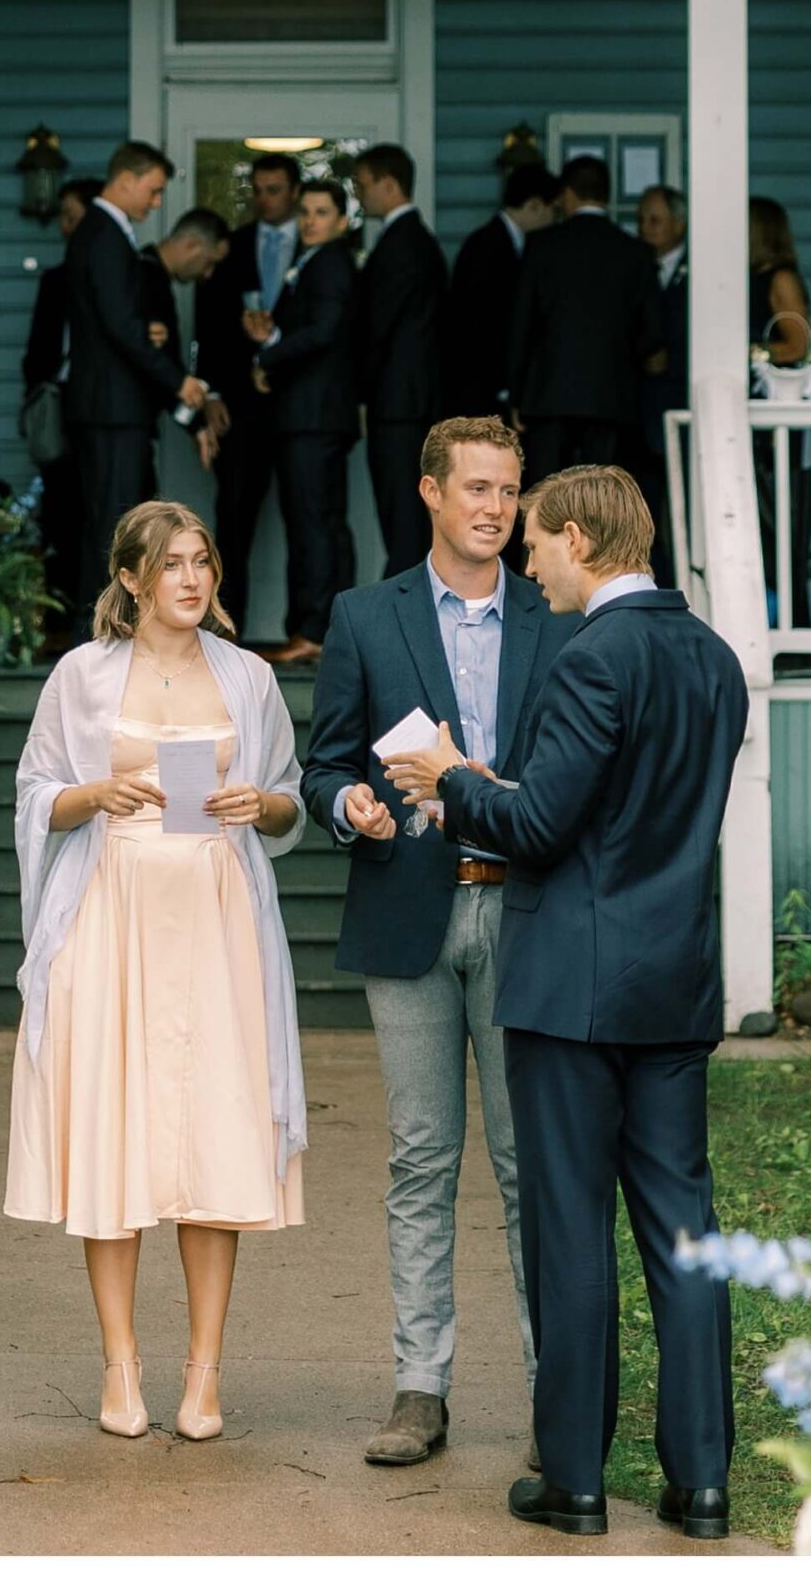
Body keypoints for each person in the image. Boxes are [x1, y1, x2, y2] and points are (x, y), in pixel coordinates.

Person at [384, 464, 748, 1543]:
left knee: (570, 1232)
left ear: (581, 540)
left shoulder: (596, 655)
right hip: (673, 979)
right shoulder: (714, 659)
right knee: (685, 1233)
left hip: (570, 991)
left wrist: (452, 775)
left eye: (536, 541)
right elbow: (637, 813)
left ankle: (577, 1481)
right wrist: (502, 785)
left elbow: (538, 826)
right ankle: (702, 1484)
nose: (527, 560)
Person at [302, 417, 579, 1468]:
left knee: (526, 1163)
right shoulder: (366, 617)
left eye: (508, 489)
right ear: (428, 491)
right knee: (420, 1159)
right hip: (407, 910)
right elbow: (323, 766)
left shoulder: (556, 615)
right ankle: (421, 1388)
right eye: (475, 486)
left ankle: (558, 1393)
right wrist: (350, 811)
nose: (495, 507)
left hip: (526, 911)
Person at [5, 500, 307, 1444]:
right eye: (170, 563)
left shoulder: (250, 677)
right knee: (116, 1132)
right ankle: (120, 1365)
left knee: (215, 1136)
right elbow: (36, 795)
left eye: (202, 561)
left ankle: (204, 1373)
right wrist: (93, 793)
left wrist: (261, 805)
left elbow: (291, 804)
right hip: (111, 914)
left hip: (218, 919)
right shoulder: (81, 676)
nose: (191, 578)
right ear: (130, 579)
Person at [63, 143, 207, 626]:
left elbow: (120, 320)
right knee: (112, 526)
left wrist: (146, 328)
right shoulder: (103, 234)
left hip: (114, 405)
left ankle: (109, 631)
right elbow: (119, 325)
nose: (156, 202)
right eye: (154, 190)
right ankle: (99, 637)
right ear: (126, 178)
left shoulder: (105, 233)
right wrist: (176, 380)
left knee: (114, 521)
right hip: (110, 406)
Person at [245, 179, 359, 665]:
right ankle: (325, 626)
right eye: (306, 211)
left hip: (313, 414)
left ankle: (313, 628)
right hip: (315, 413)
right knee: (322, 520)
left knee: (313, 521)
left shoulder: (330, 264)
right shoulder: (314, 262)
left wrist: (268, 357)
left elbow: (324, 331)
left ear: (341, 221)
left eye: (321, 212)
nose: (311, 220)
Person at [195, 154, 303, 640]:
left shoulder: (319, 245)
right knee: (233, 522)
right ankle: (223, 628)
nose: (264, 199)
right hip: (239, 408)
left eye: (274, 189)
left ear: (295, 192)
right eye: (257, 189)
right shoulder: (232, 247)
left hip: (302, 405)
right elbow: (206, 326)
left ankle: (309, 632)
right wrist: (211, 391)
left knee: (309, 520)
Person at [507, 157, 665, 488]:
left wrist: (518, 394)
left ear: (567, 194)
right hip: (612, 397)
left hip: (548, 395)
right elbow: (651, 332)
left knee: (548, 496)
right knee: (601, 499)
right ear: (605, 195)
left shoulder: (542, 246)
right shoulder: (635, 252)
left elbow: (521, 323)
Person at [353, 145, 451, 576]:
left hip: (398, 401)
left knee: (403, 516)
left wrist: (359, 394)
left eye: (362, 185)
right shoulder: (416, 240)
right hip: (412, 398)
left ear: (388, 184)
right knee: (407, 514)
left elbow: (377, 326)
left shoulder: (400, 244)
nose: (359, 195)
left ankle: (402, 611)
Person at [21, 176, 102, 637]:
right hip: (59, 406)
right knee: (60, 514)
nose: (65, 228)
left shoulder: (123, 269)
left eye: (72, 218)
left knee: (104, 512)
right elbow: (36, 351)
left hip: (105, 411)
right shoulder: (56, 280)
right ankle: (59, 618)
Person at [444, 165, 561, 421]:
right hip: (480, 391)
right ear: (534, 205)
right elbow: (480, 324)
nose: (555, 218)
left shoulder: (509, 244)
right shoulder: (487, 247)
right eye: (554, 209)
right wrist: (504, 388)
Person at [749, 196, 811, 629]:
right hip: (754, 421)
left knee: (780, 523)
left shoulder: (780, 277)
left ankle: (791, 619)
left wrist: (753, 351)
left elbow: (797, 342)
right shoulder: (748, 276)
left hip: (777, 421)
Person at [141, 206, 234, 473]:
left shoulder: (153, 277)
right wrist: (195, 422)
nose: (208, 274)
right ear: (192, 244)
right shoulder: (145, 279)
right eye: (210, 262)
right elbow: (157, 359)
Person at [636, 184, 689, 583]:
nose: (645, 228)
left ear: (679, 222)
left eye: (654, 219)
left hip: (681, 399)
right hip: (640, 407)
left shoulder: (698, 271)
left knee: (681, 506)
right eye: (641, 220)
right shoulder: (634, 266)